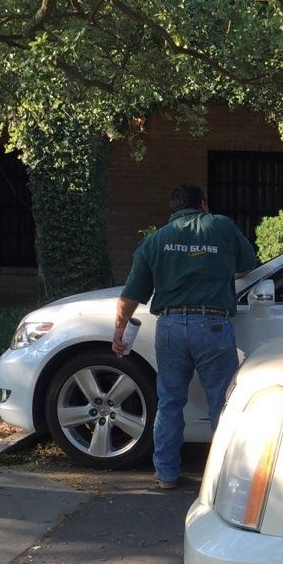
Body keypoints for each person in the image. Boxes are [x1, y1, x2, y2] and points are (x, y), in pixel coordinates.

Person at [113, 184, 258, 489]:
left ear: (173, 210)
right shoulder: (221, 226)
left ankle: (166, 474)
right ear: (203, 204)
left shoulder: (156, 241)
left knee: (169, 402)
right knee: (222, 403)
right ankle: (224, 478)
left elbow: (130, 297)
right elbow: (248, 265)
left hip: (170, 327)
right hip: (212, 325)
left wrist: (119, 332)